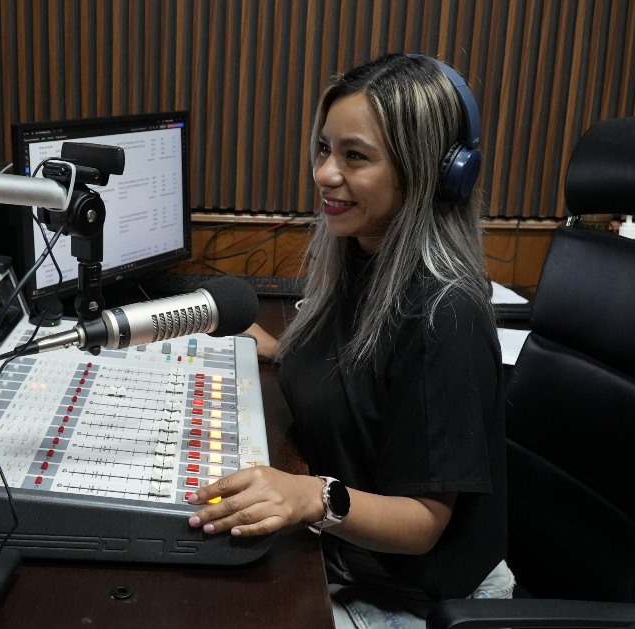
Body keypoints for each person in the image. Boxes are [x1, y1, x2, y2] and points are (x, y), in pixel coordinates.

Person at [186, 53, 514, 628]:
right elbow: (366, 384)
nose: (324, 173)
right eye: (323, 148)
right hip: (347, 559)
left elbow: (423, 523)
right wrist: (280, 350)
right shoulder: (362, 258)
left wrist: (312, 497)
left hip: (410, 601)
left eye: (354, 156)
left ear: (428, 173)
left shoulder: (446, 316)